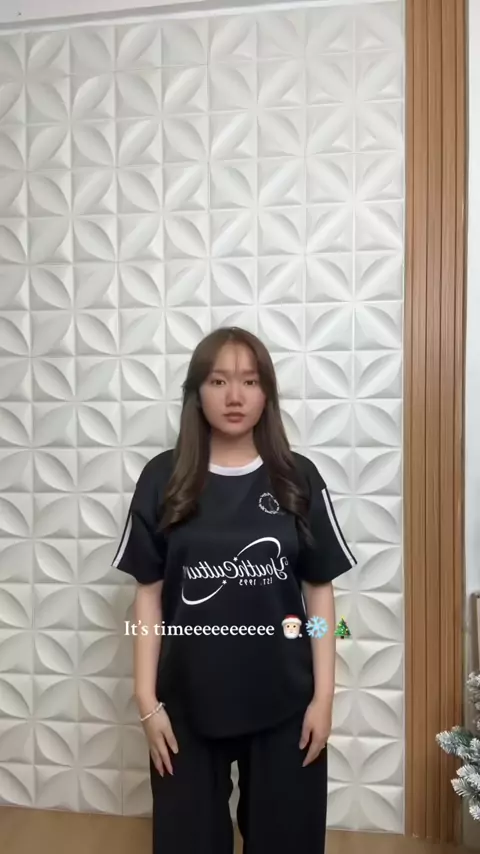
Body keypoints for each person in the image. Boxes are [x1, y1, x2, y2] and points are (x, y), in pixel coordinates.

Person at [111, 326, 357, 854]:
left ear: (266, 392)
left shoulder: (297, 478)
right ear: (196, 392)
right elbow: (148, 597)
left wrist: (323, 698)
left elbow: (319, 596)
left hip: (286, 705)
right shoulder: (163, 478)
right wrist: (147, 700)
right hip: (186, 707)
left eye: (249, 381)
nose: (235, 396)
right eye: (218, 380)